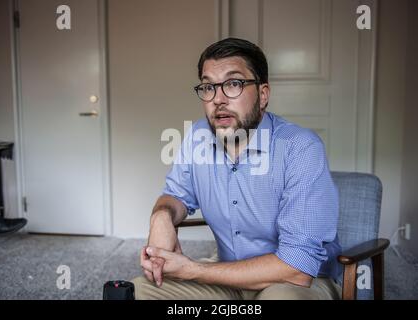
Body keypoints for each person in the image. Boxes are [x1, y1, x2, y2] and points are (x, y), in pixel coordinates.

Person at [133, 38, 342, 300]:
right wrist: (161, 216)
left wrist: (193, 270)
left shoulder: (300, 147)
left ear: (263, 95)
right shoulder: (198, 135)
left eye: (234, 83)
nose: (218, 99)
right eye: (208, 86)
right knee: (140, 291)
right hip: (226, 275)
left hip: (294, 283)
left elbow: (297, 269)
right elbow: (176, 195)